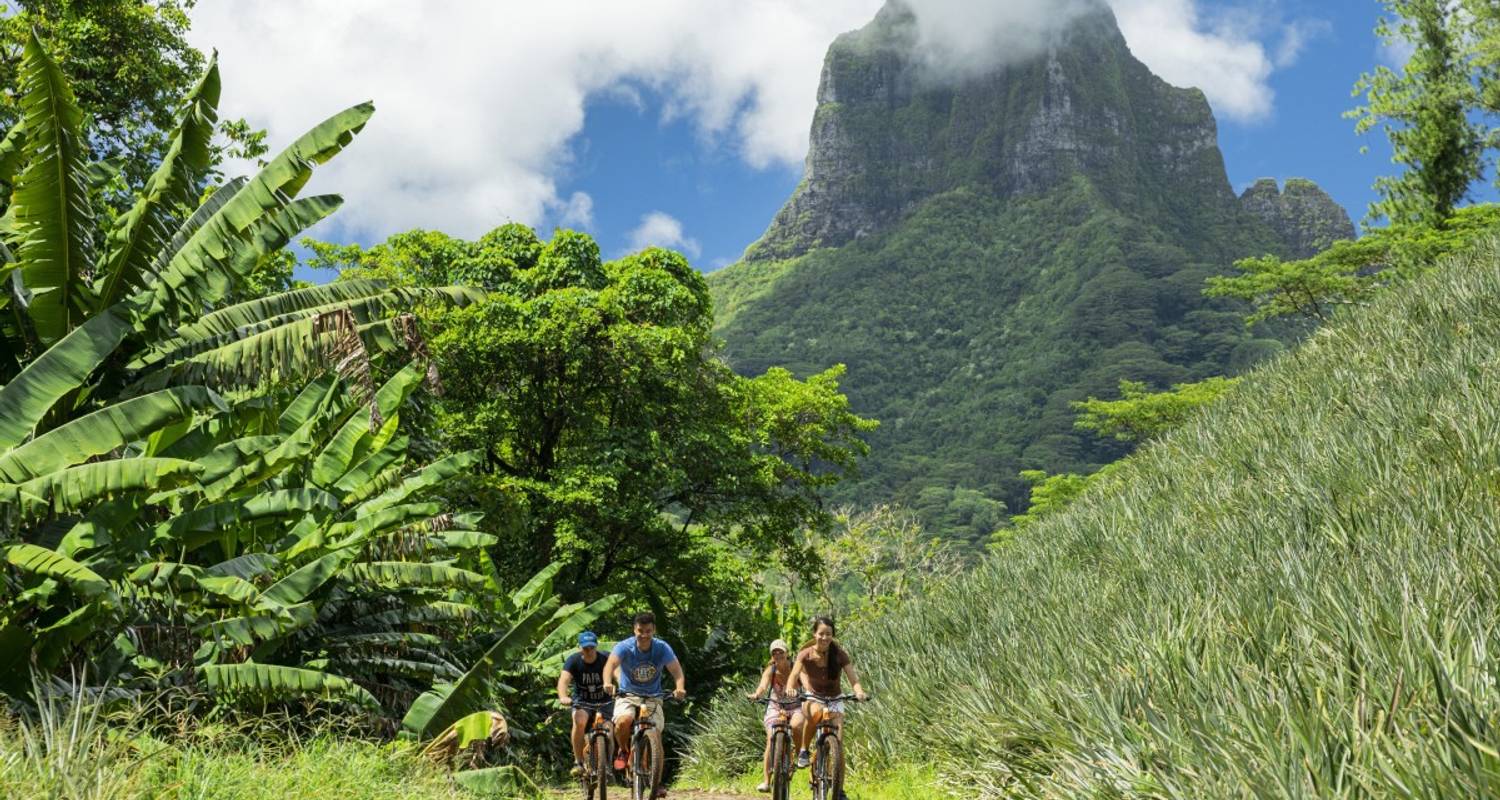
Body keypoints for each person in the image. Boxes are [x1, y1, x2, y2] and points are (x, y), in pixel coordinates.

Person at [602, 612, 686, 799]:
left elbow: (676, 670)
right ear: (634, 630)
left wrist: (680, 688)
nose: (644, 635)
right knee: (623, 721)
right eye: (640, 631)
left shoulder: (662, 648)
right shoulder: (625, 646)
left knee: (655, 734)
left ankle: (655, 781)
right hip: (627, 695)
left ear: (653, 630)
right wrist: (608, 682)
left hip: (653, 697)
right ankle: (623, 751)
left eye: (648, 631)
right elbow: (610, 665)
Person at [785, 616, 867, 787]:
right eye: (821, 634)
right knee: (815, 713)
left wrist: (859, 692)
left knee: (838, 743)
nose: (824, 638)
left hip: (835, 698)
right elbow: (793, 675)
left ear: (832, 635)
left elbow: (853, 679)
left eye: (828, 634)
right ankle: (804, 751)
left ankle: (838, 787)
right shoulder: (805, 654)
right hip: (814, 696)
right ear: (814, 634)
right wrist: (791, 687)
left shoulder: (840, 655)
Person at [745, 638, 797, 793]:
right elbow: (762, 686)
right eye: (774, 652)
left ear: (787, 653)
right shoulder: (771, 670)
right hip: (775, 707)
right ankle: (767, 781)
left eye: (781, 651)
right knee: (770, 738)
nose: (778, 654)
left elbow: (806, 683)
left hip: (795, 707)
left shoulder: (795, 668)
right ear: (772, 655)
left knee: (798, 726)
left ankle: (797, 756)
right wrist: (757, 694)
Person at [557, 630, 611, 775]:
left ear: (596, 646)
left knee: (610, 728)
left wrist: (618, 686)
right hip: (583, 700)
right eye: (585, 648)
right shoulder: (573, 661)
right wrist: (563, 696)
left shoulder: (605, 658)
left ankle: (608, 764)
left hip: (605, 700)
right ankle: (578, 761)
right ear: (580, 647)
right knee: (579, 721)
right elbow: (563, 681)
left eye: (591, 648)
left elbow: (617, 672)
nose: (589, 651)